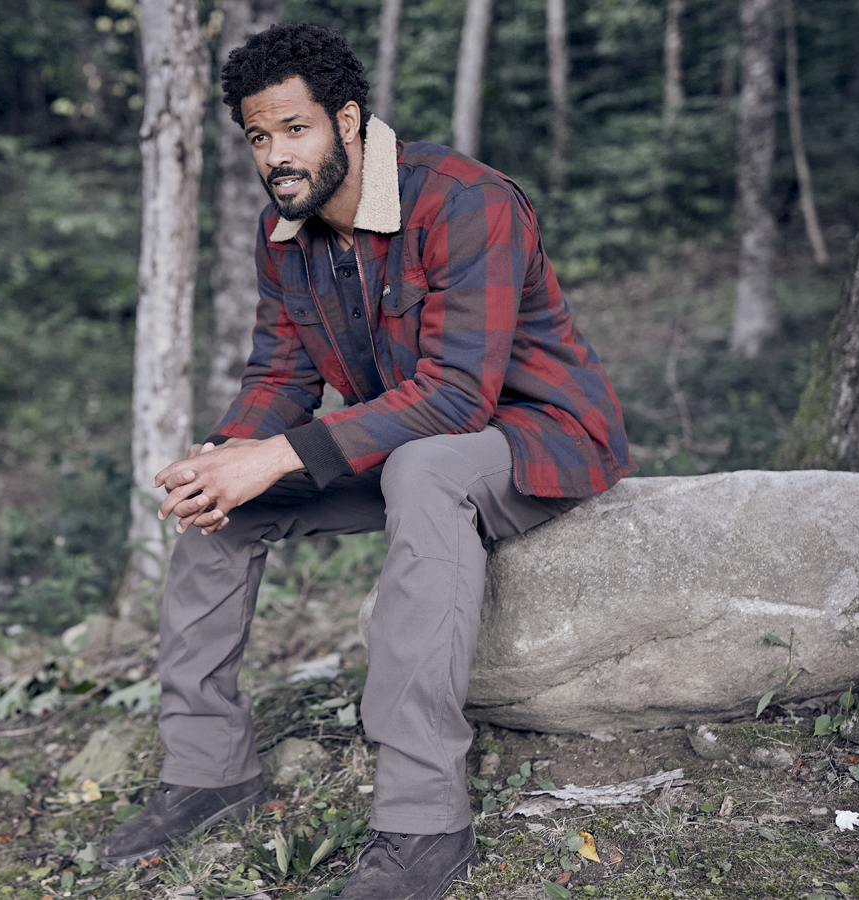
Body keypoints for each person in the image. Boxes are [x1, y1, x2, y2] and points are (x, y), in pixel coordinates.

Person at [101, 22, 634, 899]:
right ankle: (207, 772)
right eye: (259, 137)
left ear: (347, 121)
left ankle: (425, 825)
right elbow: (280, 374)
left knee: (422, 469)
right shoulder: (286, 231)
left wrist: (275, 452)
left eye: (295, 129)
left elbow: (460, 396)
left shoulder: (466, 201)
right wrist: (230, 456)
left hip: (538, 440)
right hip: (405, 445)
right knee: (222, 499)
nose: (277, 155)